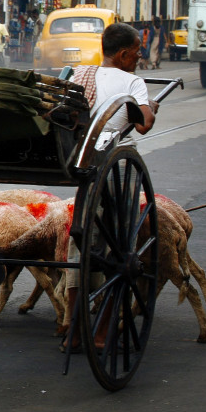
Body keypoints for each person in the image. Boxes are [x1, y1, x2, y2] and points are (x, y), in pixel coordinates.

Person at [66, 22, 158, 350]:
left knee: (81, 249)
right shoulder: (132, 81)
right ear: (121, 55)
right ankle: (102, 333)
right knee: (120, 250)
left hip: (82, 164)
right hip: (112, 168)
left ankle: (74, 332)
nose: (139, 58)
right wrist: (150, 107)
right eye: (135, 53)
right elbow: (144, 124)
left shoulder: (79, 75)